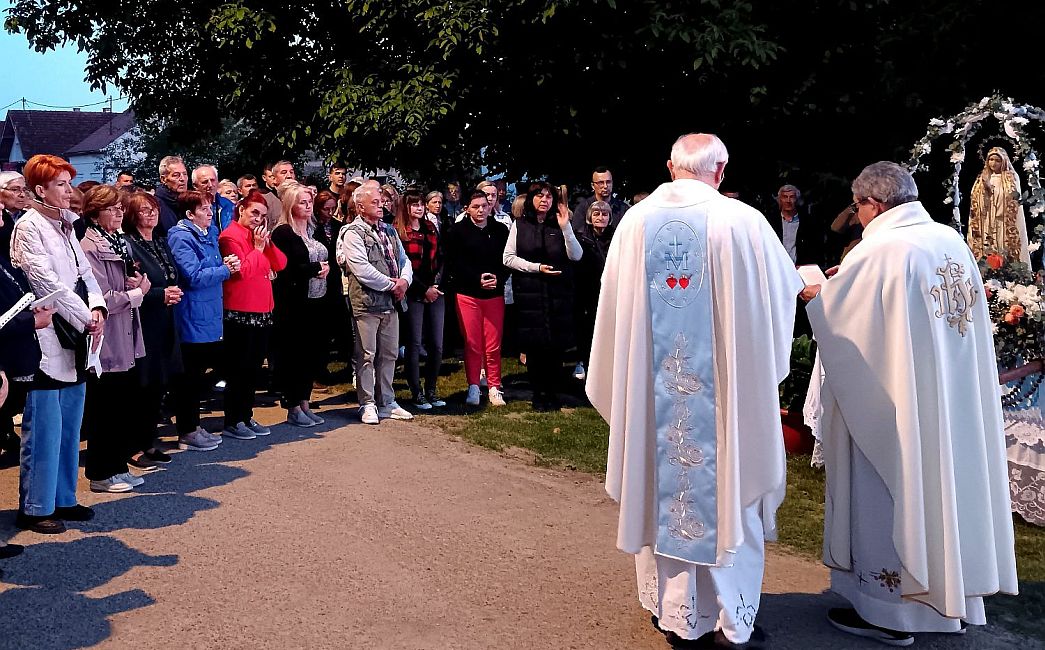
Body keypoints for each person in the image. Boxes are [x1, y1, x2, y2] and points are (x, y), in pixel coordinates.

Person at [587, 134, 803, 648]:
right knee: (728, 491)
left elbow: (612, 313)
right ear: (721, 169)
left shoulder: (634, 223)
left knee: (660, 483)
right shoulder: (743, 222)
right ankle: (730, 619)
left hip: (655, 401)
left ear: (670, 167)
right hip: (725, 403)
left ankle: (674, 609)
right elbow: (779, 299)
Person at [803, 161, 1018, 646]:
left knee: (891, 494)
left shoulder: (882, 248)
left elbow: (851, 324)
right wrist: (846, 285)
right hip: (949, 402)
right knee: (944, 492)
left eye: (858, 207)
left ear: (874, 204)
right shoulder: (948, 240)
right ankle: (947, 601)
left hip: (897, 410)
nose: (858, 217)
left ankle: (890, 613)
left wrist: (820, 296)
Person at [11, 154, 108, 534]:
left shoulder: (67, 223)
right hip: (48, 338)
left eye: (70, 183)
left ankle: (64, 497)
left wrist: (98, 307)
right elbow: (46, 283)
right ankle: (36, 506)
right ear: (40, 190)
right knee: (45, 428)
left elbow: (86, 274)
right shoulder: (28, 226)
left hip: (78, 336)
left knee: (70, 423)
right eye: (61, 185)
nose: (70, 191)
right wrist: (87, 316)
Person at [79, 185, 148, 493]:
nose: (119, 213)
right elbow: (101, 297)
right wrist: (136, 294)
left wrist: (138, 283)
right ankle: (101, 472)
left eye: (121, 208)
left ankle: (118, 466)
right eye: (112, 208)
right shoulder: (89, 246)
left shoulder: (118, 241)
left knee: (122, 407)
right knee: (105, 409)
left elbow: (125, 284)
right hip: (107, 338)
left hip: (126, 332)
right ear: (95, 214)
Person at [168, 190, 239, 451]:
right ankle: (187, 430)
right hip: (193, 314)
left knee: (200, 376)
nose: (210, 213)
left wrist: (224, 264)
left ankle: (194, 426)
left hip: (210, 313)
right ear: (190, 214)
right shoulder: (181, 237)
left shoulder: (208, 233)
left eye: (210, 208)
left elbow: (210, 266)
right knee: (190, 377)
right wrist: (225, 270)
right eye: (204, 209)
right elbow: (193, 276)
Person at [504, 182, 583, 411]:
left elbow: (576, 255)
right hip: (530, 294)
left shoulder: (559, 223)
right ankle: (538, 394)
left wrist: (566, 228)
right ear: (531, 199)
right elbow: (508, 258)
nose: (544, 200)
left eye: (549, 197)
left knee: (555, 348)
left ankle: (553, 393)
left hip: (557, 295)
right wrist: (535, 268)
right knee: (534, 348)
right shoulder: (520, 224)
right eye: (540, 196)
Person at [340, 181, 413, 424]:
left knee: (390, 353)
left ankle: (387, 401)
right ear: (360, 206)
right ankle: (367, 402)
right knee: (366, 354)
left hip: (391, 303)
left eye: (382, 201)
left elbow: (404, 260)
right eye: (375, 202)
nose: (382, 205)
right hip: (367, 303)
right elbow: (361, 269)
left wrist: (404, 281)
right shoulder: (352, 232)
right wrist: (392, 285)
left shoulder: (389, 230)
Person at [217, 189, 287, 438]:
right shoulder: (230, 236)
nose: (258, 219)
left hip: (262, 309)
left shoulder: (257, 236)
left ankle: (245, 415)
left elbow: (280, 263)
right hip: (240, 310)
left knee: (253, 369)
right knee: (239, 369)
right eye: (255, 213)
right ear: (241, 210)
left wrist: (266, 244)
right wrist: (257, 249)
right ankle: (233, 420)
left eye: (263, 215)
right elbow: (242, 272)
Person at [122, 191, 183, 467]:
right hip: (142, 322)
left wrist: (170, 293)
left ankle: (148, 441)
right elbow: (130, 287)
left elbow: (171, 274)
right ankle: (132, 446)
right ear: (132, 215)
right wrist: (160, 295)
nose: (152, 214)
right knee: (141, 385)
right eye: (144, 210)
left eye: (154, 209)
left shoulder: (160, 241)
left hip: (165, 320)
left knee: (158, 384)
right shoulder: (129, 245)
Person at [271, 183, 329, 427]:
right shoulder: (283, 233)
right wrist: (315, 268)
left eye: (309, 202)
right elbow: (285, 269)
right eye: (302, 202)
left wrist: (325, 268)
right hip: (293, 304)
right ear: (290, 205)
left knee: (310, 355)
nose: (307, 206)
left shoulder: (313, 230)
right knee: (293, 355)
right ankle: (293, 405)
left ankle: (305, 402)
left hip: (317, 300)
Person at [447, 191, 511, 407]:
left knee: (493, 344)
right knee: (472, 343)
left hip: (494, 294)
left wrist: (499, 278)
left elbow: (507, 260)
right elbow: (454, 263)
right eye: (476, 206)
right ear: (467, 208)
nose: (481, 210)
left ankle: (494, 386)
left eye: (484, 205)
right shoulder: (457, 231)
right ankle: (473, 385)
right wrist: (476, 279)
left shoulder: (500, 230)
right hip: (467, 294)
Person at [394, 189, 446, 409]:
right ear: (406, 207)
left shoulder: (430, 228)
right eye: (414, 204)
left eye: (421, 204)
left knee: (437, 344)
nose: (419, 208)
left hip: (435, 290)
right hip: (413, 292)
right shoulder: (399, 231)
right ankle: (416, 392)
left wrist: (436, 285)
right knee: (414, 343)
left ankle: (431, 389)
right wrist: (424, 290)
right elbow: (402, 266)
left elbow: (440, 258)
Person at [312, 190, 352, 386]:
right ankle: (319, 370)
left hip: (335, 281)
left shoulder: (338, 227)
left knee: (343, 328)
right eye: (325, 209)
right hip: (318, 280)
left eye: (332, 208)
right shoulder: (312, 227)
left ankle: (350, 367)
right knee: (321, 331)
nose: (329, 212)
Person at [573, 200, 615, 381]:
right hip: (587, 288)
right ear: (589, 217)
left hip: (610, 287)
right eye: (596, 214)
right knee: (586, 327)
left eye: (605, 214)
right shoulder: (581, 237)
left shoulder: (616, 237)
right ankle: (582, 361)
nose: (600, 217)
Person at [968, 146, 1030, 264]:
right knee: (987, 248)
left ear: (1004, 161)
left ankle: (1005, 268)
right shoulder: (982, 177)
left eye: (997, 160)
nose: (993, 163)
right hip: (986, 221)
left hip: (1003, 221)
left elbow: (1012, 199)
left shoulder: (1010, 178)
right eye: (991, 160)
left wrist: (992, 190)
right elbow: (975, 200)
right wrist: (985, 190)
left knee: (1002, 248)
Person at [571, 166, 629, 231]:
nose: (605, 186)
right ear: (593, 186)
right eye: (601, 183)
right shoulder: (583, 208)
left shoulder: (623, 209)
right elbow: (577, 233)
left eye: (608, 182)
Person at [193, 164, 236, 235]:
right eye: (205, 182)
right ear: (195, 186)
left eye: (213, 180)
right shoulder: (191, 207)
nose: (210, 185)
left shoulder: (229, 205)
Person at [155, 155, 189, 236]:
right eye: (176, 175)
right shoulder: (155, 205)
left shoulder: (190, 202)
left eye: (185, 174)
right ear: (163, 179)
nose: (182, 179)